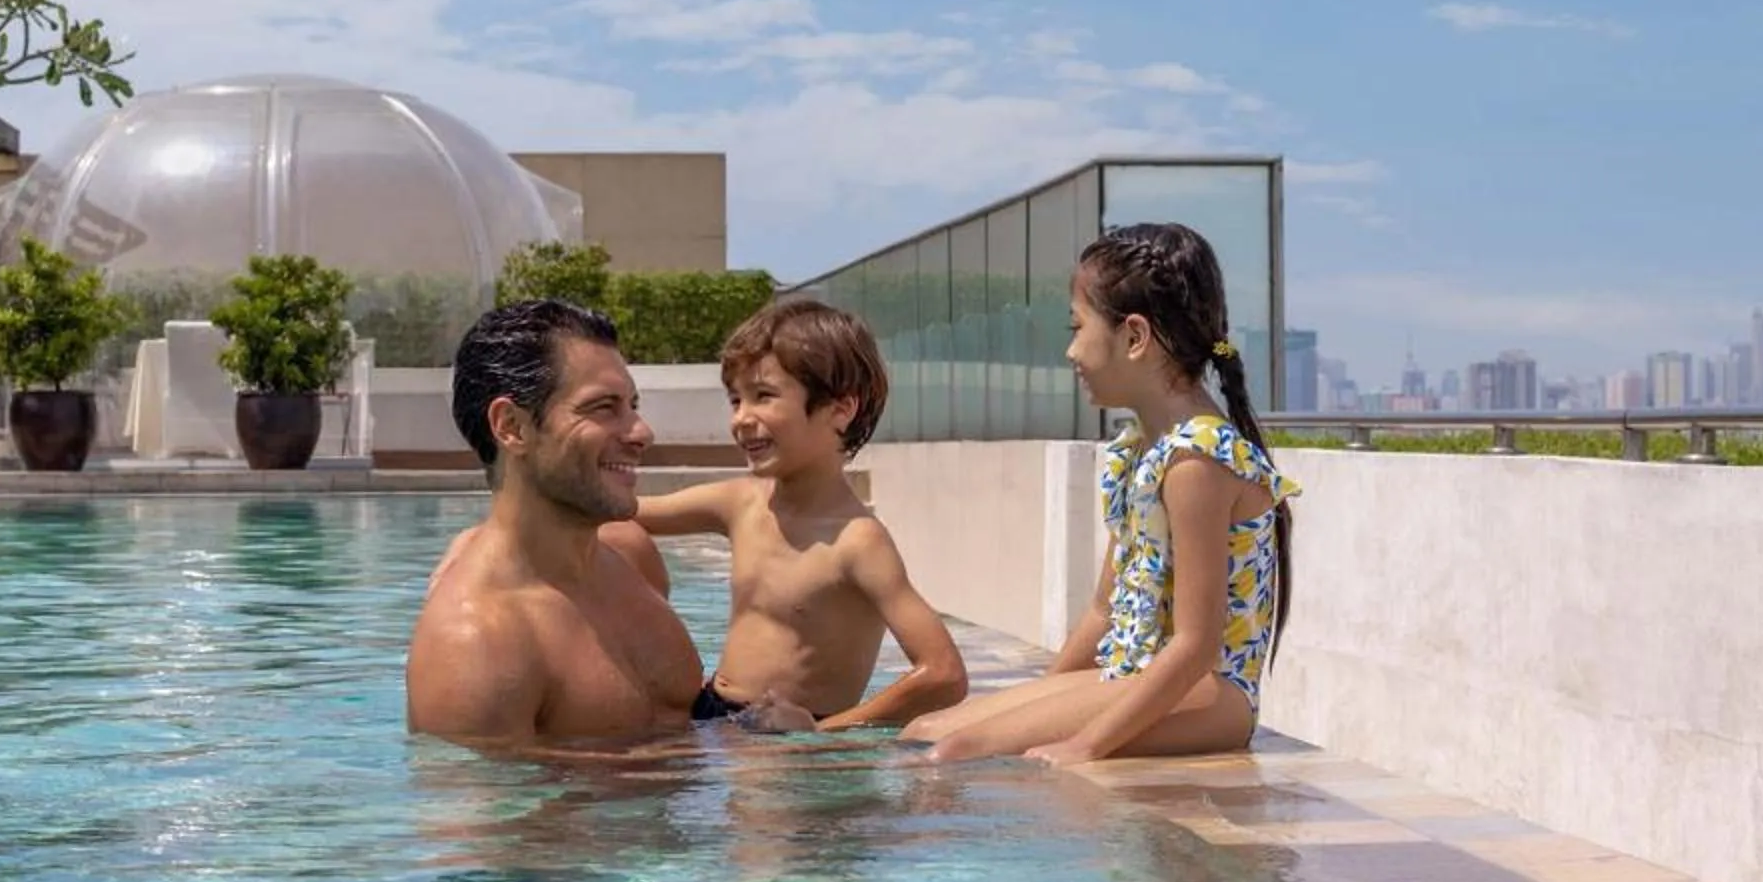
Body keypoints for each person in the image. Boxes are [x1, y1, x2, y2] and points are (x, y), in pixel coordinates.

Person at [904, 224, 1295, 767]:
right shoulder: (1144, 451)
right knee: (928, 730)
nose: (1070, 350)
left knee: (956, 752)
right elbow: (1102, 609)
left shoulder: (1197, 462)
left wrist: (1083, 744)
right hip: (1142, 676)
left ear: (1134, 337)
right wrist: (1035, 702)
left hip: (1210, 696)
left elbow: (1197, 645)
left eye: (1077, 326)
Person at [407, 298, 811, 745]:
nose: (641, 432)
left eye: (632, 406)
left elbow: (679, 734)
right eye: (603, 408)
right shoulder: (477, 646)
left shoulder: (630, 554)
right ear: (512, 427)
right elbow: (514, 812)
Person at [627, 297, 969, 730]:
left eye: (763, 396)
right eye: (736, 400)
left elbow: (944, 675)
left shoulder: (857, 542)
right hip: (710, 710)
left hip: (790, 740)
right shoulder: (741, 502)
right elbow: (625, 513)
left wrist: (822, 732)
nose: (741, 419)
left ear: (841, 410)